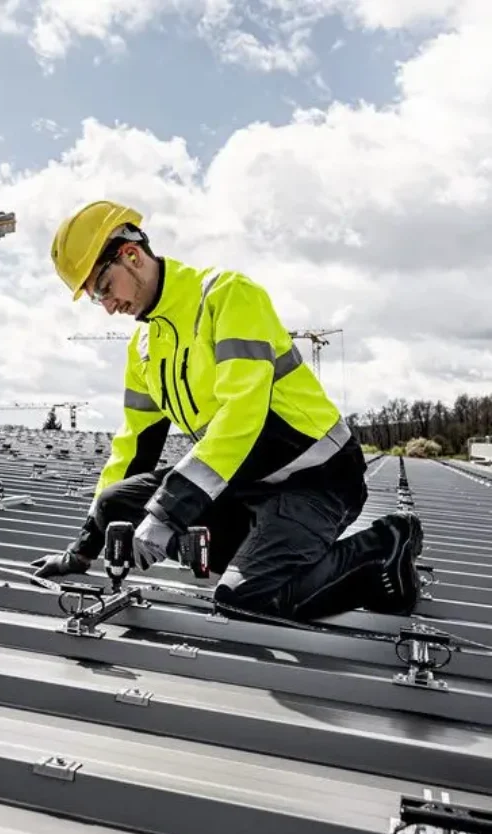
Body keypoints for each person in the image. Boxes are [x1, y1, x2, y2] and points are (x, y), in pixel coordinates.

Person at [31, 200, 423, 622]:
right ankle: (266, 552)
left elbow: (242, 417)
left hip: (315, 480)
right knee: (114, 503)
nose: (108, 306)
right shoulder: (142, 348)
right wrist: (82, 551)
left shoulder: (226, 296)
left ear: (131, 255)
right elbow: (133, 450)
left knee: (244, 598)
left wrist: (167, 514)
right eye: (95, 298)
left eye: (105, 288)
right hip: (245, 484)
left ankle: (386, 545)